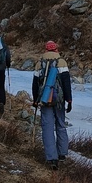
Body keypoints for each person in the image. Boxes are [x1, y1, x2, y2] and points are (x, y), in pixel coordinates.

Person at [32, 40, 72, 169]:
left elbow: (35, 84)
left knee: (47, 127)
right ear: (56, 49)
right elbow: (66, 83)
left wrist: (35, 100)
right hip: (59, 100)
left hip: (44, 99)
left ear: (45, 49)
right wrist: (69, 100)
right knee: (60, 125)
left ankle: (52, 158)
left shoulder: (39, 63)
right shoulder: (61, 62)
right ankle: (62, 153)